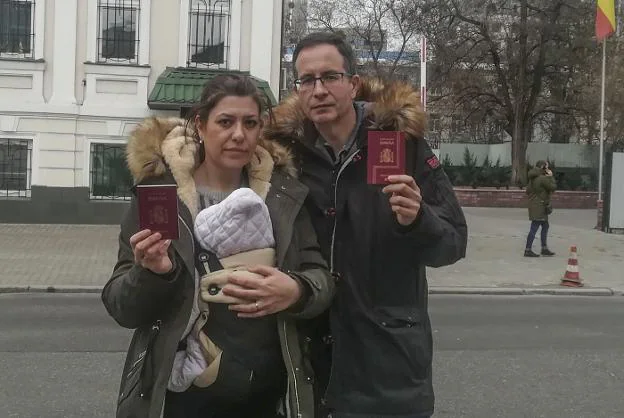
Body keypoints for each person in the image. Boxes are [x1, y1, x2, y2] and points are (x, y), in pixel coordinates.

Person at [101, 74, 335, 418]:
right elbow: (122, 307)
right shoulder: (159, 198)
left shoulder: (284, 198)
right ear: (201, 124)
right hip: (181, 399)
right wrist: (152, 274)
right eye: (225, 122)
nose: (238, 134)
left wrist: (296, 290)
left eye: (250, 123)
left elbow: (321, 279)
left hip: (268, 397)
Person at [263, 32, 468, 418]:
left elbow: (454, 243)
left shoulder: (401, 144)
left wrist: (418, 220)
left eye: (330, 77)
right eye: (307, 80)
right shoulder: (285, 158)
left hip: (388, 367)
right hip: (310, 365)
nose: (318, 90)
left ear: (353, 83)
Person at [524, 160, 556, 257]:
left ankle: (544, 248)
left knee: (545, 226)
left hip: (534, 205)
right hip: (540, 206)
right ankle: (528, 249)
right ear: (542, 167)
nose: (548, 169)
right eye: (547, 167)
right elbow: (553, 187)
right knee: (534, 227)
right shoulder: (542, 178)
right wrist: (551, 177)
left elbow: (527, 191)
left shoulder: (532, 178)